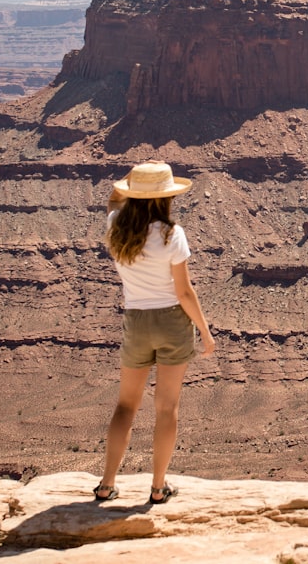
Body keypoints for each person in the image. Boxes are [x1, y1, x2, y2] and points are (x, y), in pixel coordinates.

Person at [93, 161, 215, 504]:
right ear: (166, 198)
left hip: (136, 321)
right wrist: (204, 332)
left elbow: (113, 201)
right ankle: (158, 487)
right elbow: (184, 292)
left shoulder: (116, 226)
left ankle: (106, 484)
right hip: (173, 324)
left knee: (125, 406)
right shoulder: (171, 234)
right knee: (166, 408)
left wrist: (128, 184)